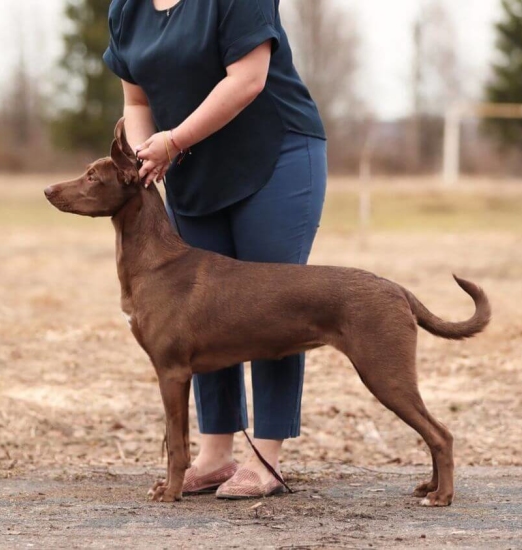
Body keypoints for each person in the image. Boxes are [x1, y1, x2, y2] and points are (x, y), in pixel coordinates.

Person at [104, 0, 327, 499]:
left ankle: (266, 457)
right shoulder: (127, 8)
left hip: (274, 155)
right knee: (196, 311)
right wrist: (144, 158)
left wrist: (175, 141)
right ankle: (215, 453)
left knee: (274, 303)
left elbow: (247, 79)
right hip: (189, 167)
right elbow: (137, 104)